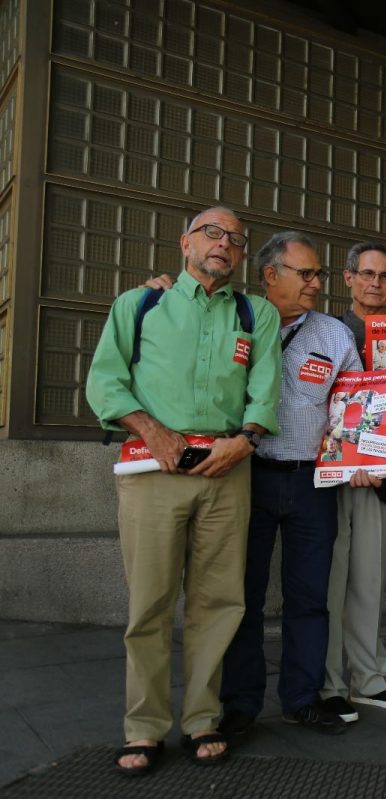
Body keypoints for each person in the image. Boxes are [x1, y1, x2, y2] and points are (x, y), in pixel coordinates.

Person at [85, 206, 282, 774]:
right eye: (212, 234)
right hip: (154, 469)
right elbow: (106, 380)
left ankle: (202, 719)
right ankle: (143, 728)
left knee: (219, 604)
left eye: (236, 240)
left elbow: (265, 387)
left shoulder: (256, 312)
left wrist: (243, 442)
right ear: (185, 243)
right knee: (149, 604)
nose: (224, 244)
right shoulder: (141, 304)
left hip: (228, 469)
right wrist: (155, 432)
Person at [219, 232, 361, 737]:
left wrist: (362, 452)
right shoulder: (233, 319)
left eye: (319, 274)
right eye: (306, 274)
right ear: (270, 274)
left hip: (311, 483)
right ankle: (240, 703)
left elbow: (355, 409)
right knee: (244, 595)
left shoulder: (334, 336)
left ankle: (302, 697)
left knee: (309, 597)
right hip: (245, 478)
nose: (317, 284)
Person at [317, 242, 386, 724]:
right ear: (348, 278)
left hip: (383, 472)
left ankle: (370, 678)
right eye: (367, 274)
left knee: (369, 579)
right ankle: (330, 683)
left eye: (385, 276)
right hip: (331, 470)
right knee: (332, 580)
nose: (376, 283)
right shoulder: (325, 331)